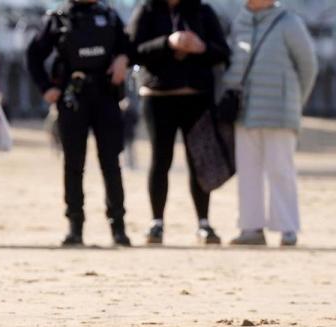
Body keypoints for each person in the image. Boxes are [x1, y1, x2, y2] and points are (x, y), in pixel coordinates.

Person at [27, 0, 132, 247]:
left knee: (111, 163)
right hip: (73, 98)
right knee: (73, 163)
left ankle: (118, 227)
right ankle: (75, 227)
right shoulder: (58, 18)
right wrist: (46, 88)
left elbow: (130, 45)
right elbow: (33, 55)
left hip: (106, 96)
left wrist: (123, 59)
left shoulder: (110, 16)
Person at [127, 0, 230, 245]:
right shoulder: (146, 11)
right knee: (160, 159)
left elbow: (223, 53)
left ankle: (204, 224)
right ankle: (156, 223)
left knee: (199, 159)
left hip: (197, 97)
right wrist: (167, 43)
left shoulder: (203, 12)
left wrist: (201, 47)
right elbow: (132, 51)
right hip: (157, 97)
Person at [225, 0, 317, 247]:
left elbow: (308, 65)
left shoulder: (289, 21)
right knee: (248, 173)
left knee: (281, 170)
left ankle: (287, 228)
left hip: (280, 112)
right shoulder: (239, 23)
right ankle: (250, 228)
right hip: (244, 112)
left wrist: (295, 102)